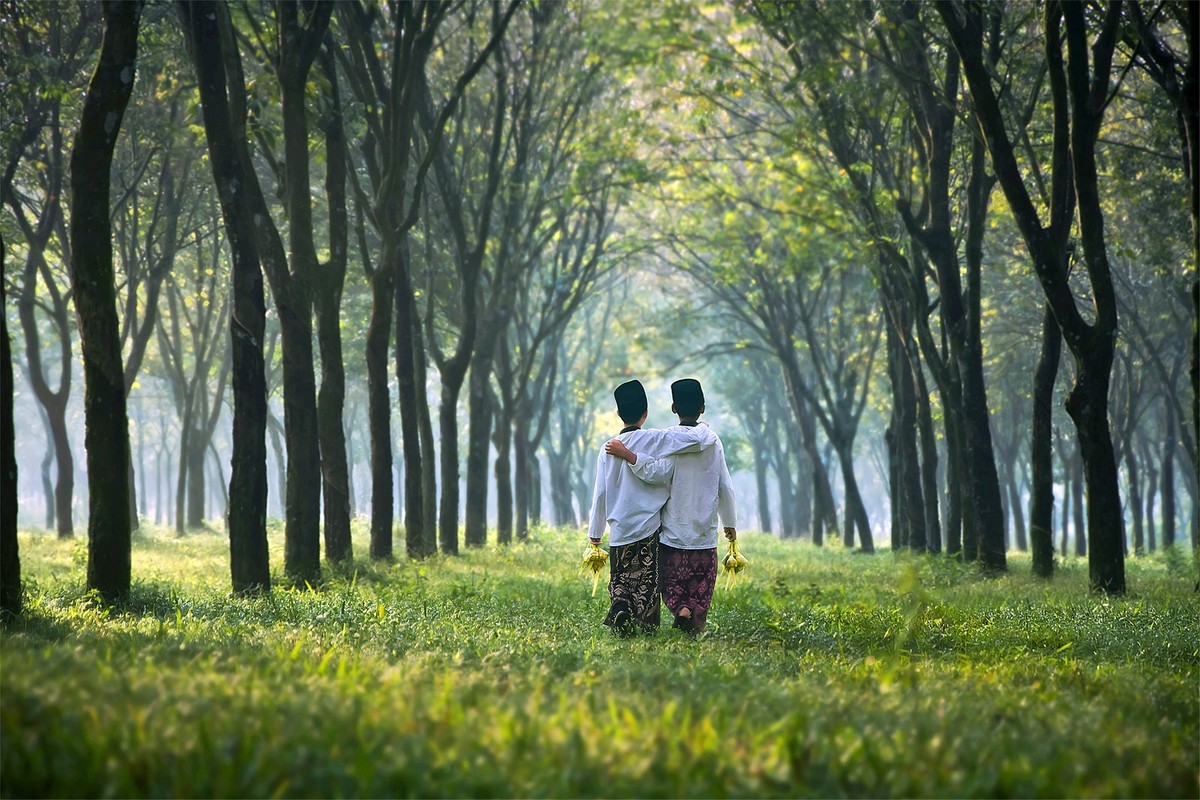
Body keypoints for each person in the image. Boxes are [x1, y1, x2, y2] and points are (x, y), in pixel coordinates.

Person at [587, 379, 718, 635]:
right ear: (646, 414)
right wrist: (703, 428)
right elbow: (668, 465)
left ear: (618, 413)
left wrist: (595, 533)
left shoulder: (607, 449)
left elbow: (600, 493)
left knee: (621, 577)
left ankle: (621, 605)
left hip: (619, 532)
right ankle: (645, 627)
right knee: (647, 583)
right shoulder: (655, 439)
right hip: (648, 529)